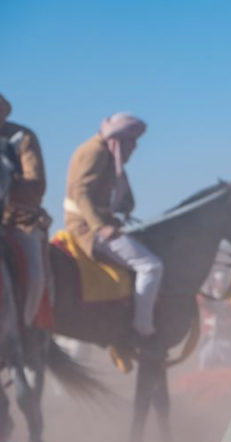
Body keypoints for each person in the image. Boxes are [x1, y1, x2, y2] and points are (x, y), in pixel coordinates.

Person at [64, 113, 160, 337]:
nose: (134, 147)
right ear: (119, 139)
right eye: (131, 141)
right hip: (87, 228)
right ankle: (143, 329)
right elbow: (81, 192)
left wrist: (124, 207)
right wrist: (100, 227)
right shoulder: (95, 152)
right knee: (151, 266)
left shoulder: (106, 152)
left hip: (101, 222)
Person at [0, 93, 49, 328]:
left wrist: (9, 183)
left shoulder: (22, 138)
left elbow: (36, 183)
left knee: (34, 275)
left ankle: (26, 328)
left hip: (17, 220)